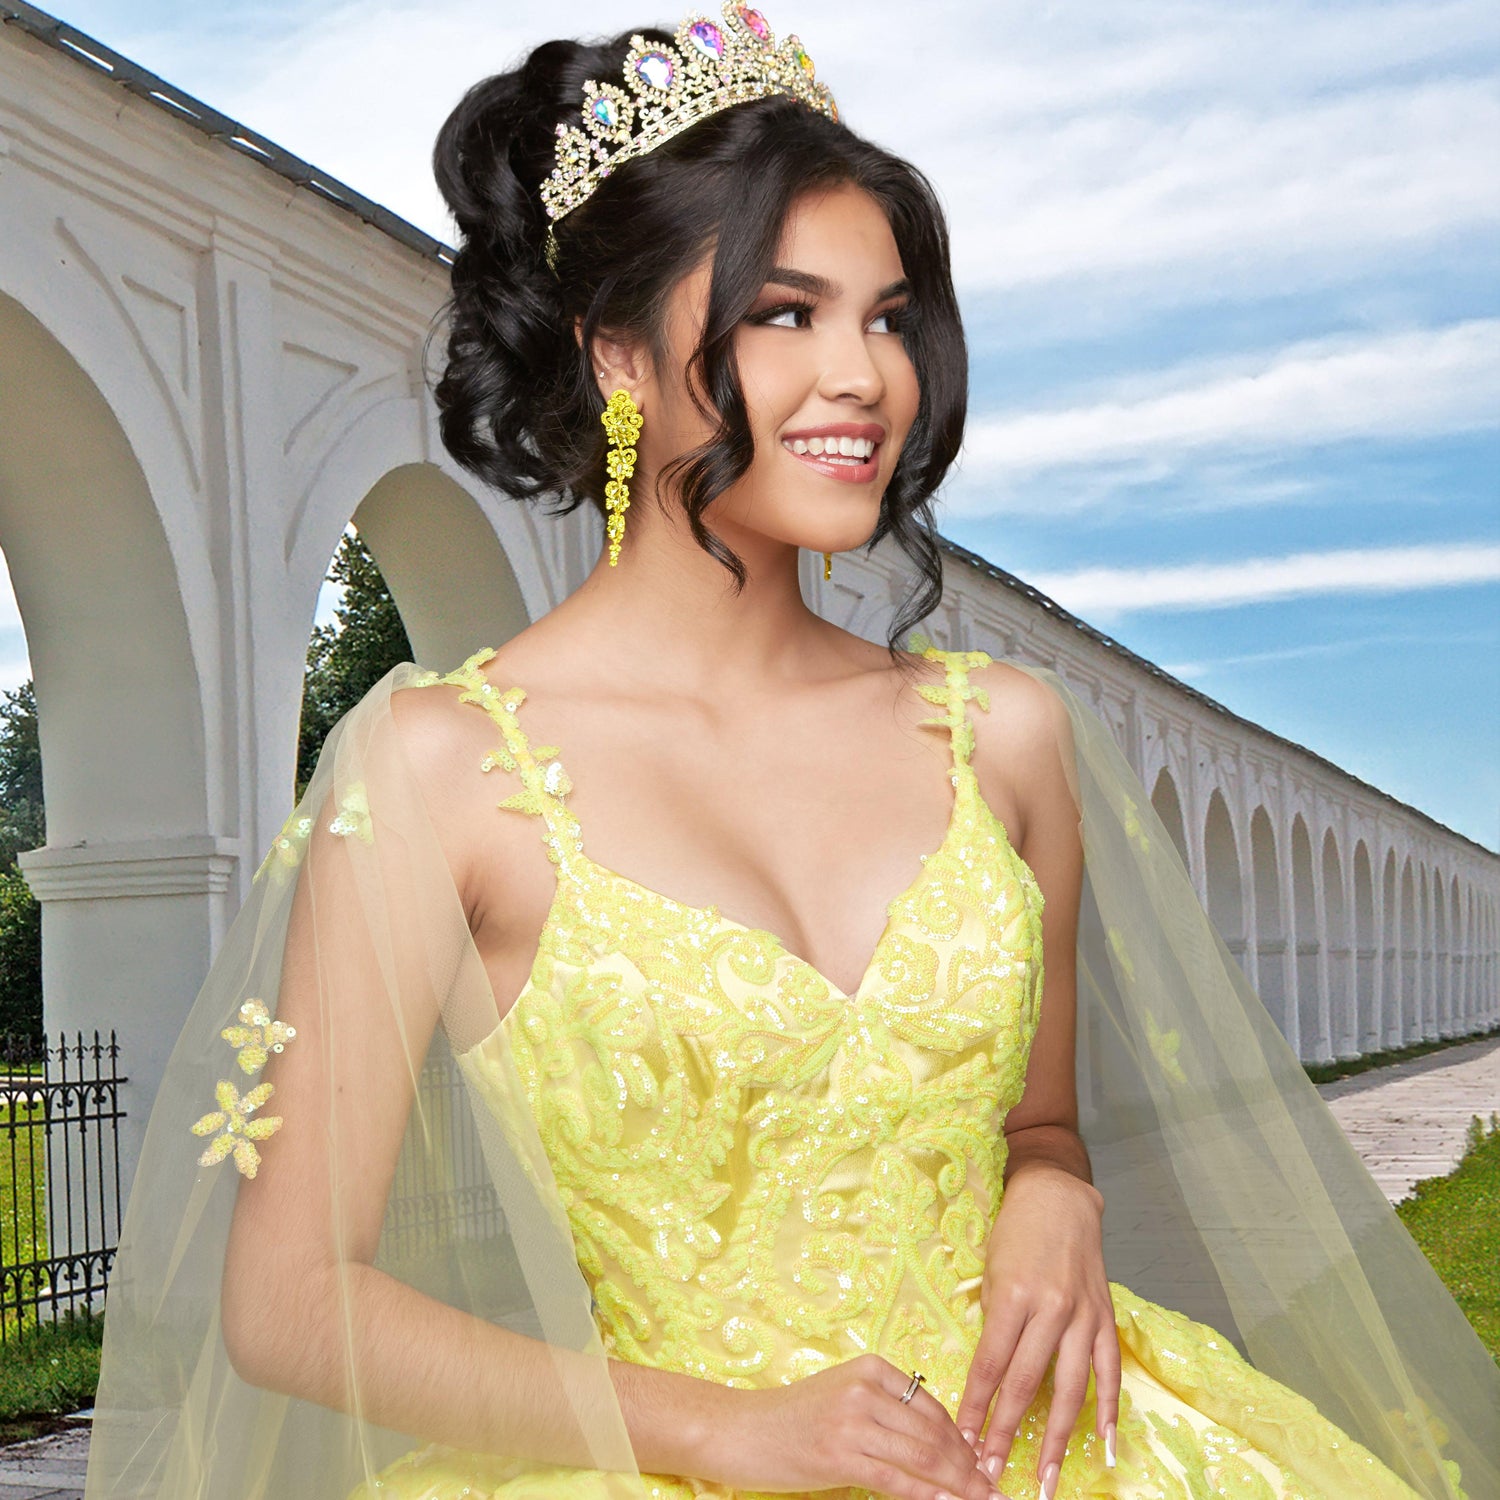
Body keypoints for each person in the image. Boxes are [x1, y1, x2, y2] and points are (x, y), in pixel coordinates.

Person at [82, 5, 1499, 1499]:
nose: (866, 376)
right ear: (618, 356)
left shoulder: (1004, 739)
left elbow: (1039, 1122)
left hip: (1063, 1455)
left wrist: (1056, 1193)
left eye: (889, 317)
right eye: (785, 313)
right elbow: (290, 1302)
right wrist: (723, 1429)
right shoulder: (443, 770)